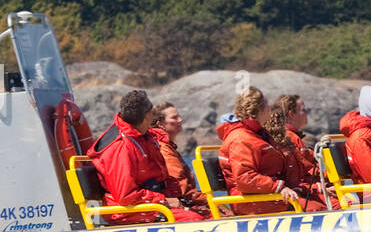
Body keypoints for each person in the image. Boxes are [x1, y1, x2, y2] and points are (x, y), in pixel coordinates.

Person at [88, 90, 203, 225]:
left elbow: (161, 175)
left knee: (202, 213)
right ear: (144, 118)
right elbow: (126, 196)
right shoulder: (120, 148)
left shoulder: (144, 136)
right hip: (129, 211)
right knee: (194, 220)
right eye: (151, 110)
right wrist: (164, 201)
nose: (154, 113)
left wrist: (179, 198)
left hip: (149, 202)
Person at [218, 86, 325, 214]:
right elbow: (244, 178)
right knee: (315, 208)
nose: (270, 109)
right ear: (260, 110)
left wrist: (305, 188)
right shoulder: (241, 139)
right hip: (252, 201)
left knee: (319, 204)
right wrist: (278, 187)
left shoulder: (258, 135)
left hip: (267, 194)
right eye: (267, 105)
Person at [149, 102, 211, 219]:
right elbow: (181, 189)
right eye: (174, 118)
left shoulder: (168, 147)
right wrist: (209, 200)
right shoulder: (164, 150)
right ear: (160, 124)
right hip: (177, 205)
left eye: (179, 116)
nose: (180, 120)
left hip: (184, 202)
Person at [268, 94, 320, 186]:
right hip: (300, 191)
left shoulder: (286, 136)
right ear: (292, 114)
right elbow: (305, 171)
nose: (307, 113)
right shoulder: (291, 138)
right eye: (304, 110)